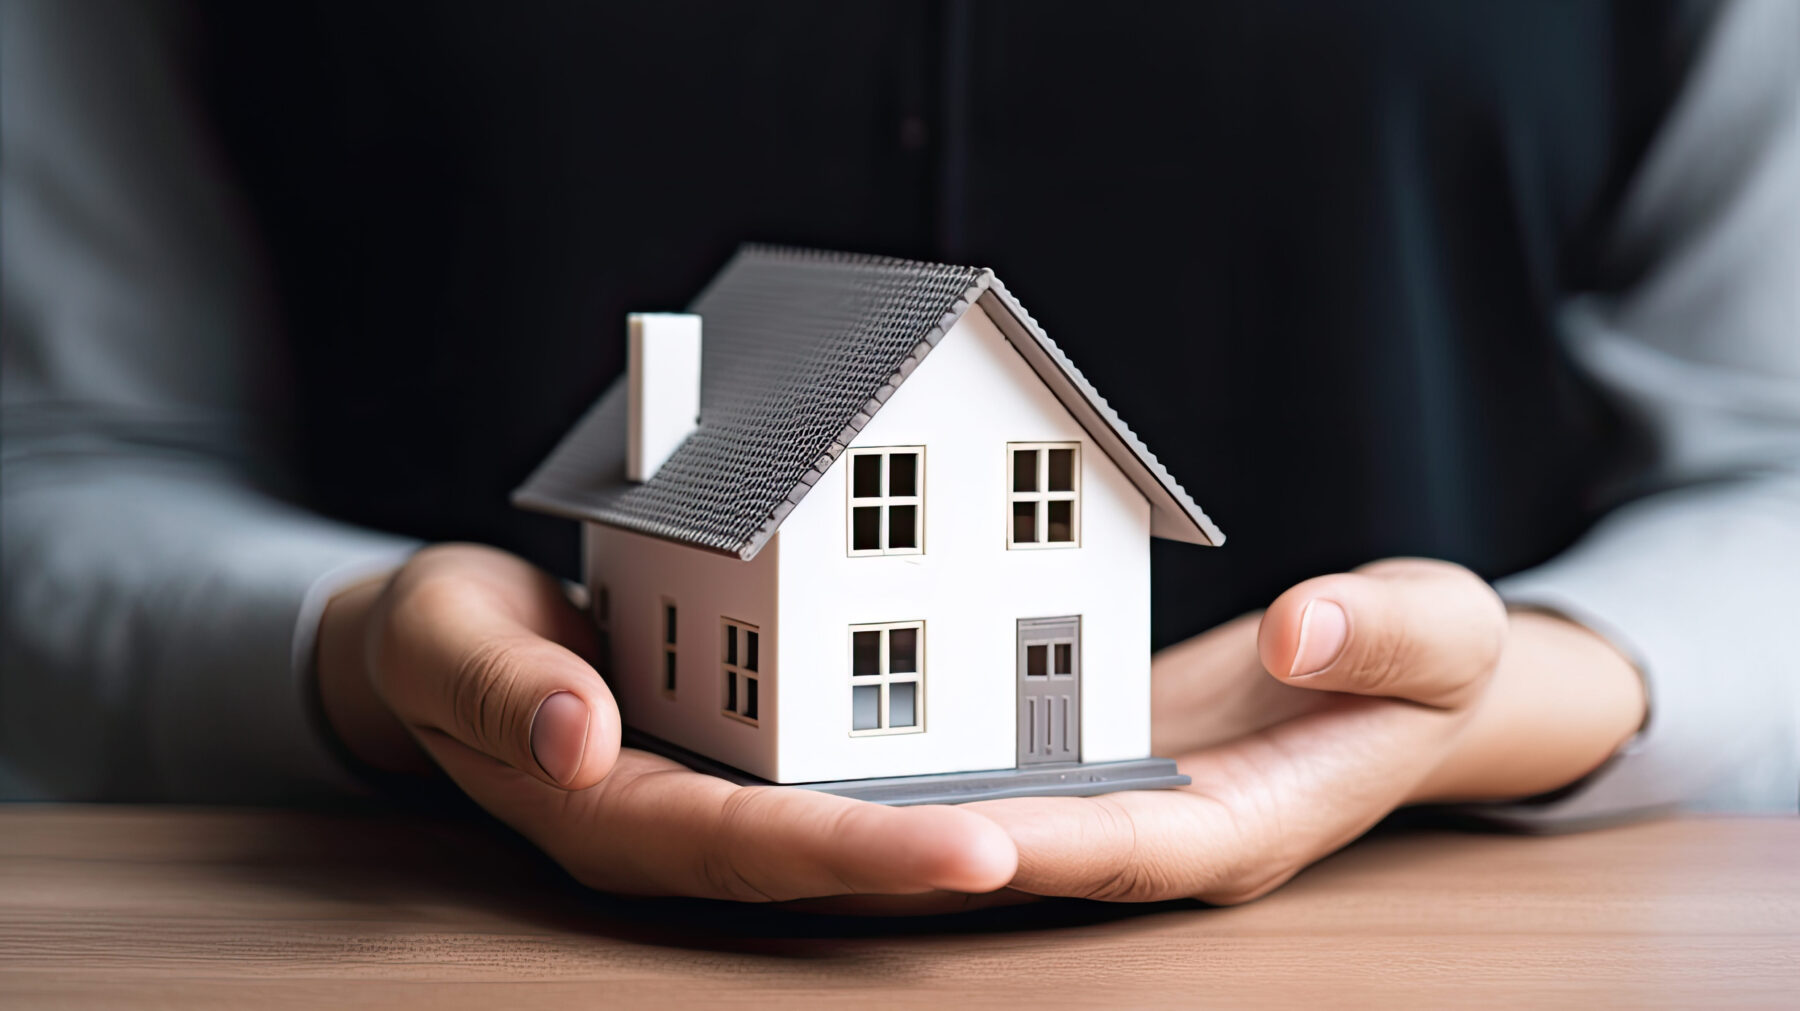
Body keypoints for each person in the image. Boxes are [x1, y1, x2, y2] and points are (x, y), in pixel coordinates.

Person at [3, 0, 1794, 905]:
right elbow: (65, 456)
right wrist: (355, 650)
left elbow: (1772, 462)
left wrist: (1547, 687)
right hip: (421, 937)